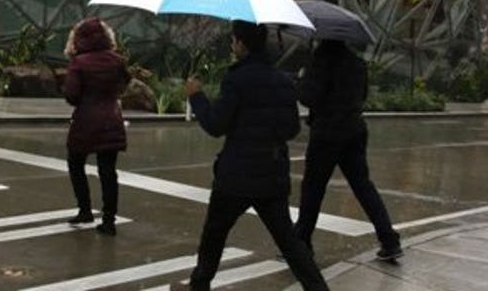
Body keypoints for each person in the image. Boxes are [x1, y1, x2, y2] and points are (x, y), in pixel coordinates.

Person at [171, 21, 329, 291]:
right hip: (272, 174)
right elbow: (292, 129)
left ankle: (199, 285)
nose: (232, 45)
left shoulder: (236, 79)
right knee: (289, 241)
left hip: (236, 176)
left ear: (241, 44)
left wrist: (197, 97)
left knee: (214, 234)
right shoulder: (283, 81)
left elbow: (215, 125)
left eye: (233, 41)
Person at [295, 38, 401, 261]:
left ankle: (302, 242)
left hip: (327, 132)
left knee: (313, 188)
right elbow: (362, 96)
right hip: (354, 129)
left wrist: (303, 79)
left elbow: (308, 97)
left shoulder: (320, 62)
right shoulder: (357, 63)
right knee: (363, 185)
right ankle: (389, 239)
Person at [62, 17, 130, 236]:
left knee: (76, 163)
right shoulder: (117, 60)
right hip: (112, 119)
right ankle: (109, 221)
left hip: (85, 121)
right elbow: (125, 83)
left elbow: (71, 95)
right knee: (108, 171)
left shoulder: (79, 63)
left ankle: (85, 210)